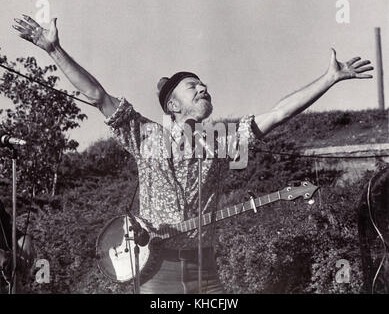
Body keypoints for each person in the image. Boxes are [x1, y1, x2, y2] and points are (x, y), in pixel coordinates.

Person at [12, 15, 373, 294]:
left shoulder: (222, 139)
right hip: (155, 270)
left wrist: (329, 79)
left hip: (205, 270)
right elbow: (97, 95)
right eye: (193, 86)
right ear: (172, 104)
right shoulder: (144, 134)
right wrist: (53, 49)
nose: (203, 88)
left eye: (204, 85)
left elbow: (278, 113)